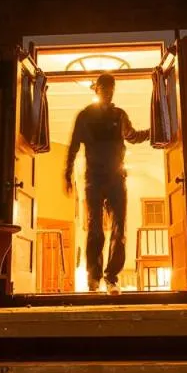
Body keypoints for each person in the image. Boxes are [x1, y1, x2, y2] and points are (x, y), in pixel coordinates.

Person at [65, 73, 150, 295]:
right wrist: (67, 173)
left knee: (119, 228)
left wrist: (155, 132)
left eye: (112, 87)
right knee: (95, 229)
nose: (108, 91)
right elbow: (74, 145)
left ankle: (111, 278)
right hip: (93, 178)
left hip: (116, 178)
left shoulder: (119, 115)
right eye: (104, 87)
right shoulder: (85, 116)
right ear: (97, 89)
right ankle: (93, 277)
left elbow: (132, 136)